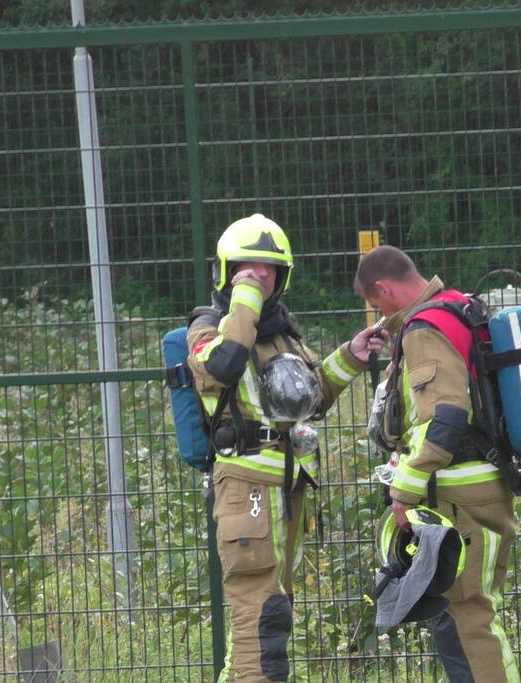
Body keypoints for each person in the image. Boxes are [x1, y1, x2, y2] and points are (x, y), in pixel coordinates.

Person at [187, 213, 386, 682]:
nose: (258, 276)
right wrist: (245, 300)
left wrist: (351, 356)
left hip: (289, 486)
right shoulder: (208, 328)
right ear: (225, 271)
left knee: (274, 610)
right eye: (246, 268)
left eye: (268, 270)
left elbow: (307, 397)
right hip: (246, 487)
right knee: (259, 613)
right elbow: (224, 366)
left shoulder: (284, 335)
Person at [355, 245, 519, 683]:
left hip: (458, 496)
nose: (379, 315)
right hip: (483, 483)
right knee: (471, 620)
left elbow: (445, 416)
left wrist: (402, 492)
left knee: (468, 626)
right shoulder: (460, 310)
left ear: (383, 288)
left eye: (376, 305)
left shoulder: (423, 328)